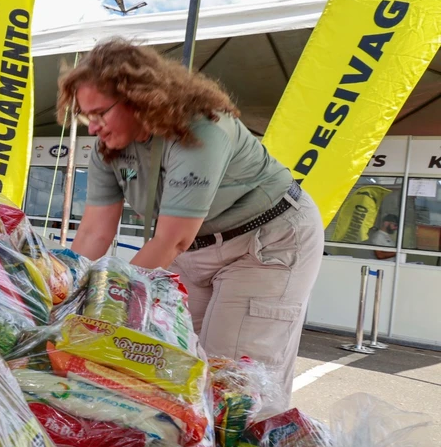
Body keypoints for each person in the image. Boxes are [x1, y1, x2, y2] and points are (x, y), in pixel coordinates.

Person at [62, 39, 324, 415]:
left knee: (232, 382)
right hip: (195, 249)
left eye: (100, 113)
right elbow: (93, 235)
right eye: (88, 118)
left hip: (266, 242)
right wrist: (58, 298)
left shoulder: (200, 128)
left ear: (139, 97)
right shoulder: (108, 150)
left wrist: (104, 309)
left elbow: (172, 239)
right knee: (177, 363)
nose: (93, 128)